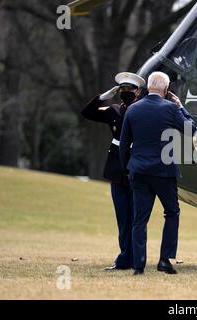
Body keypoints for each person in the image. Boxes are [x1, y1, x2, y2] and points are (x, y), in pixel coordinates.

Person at [119, 72, 196, 276]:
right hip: (164, 171)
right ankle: (164, 259)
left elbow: (124, 144)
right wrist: (181, 106)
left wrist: (128, 168)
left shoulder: (133, 109)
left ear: (148, 87)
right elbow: (191, 130)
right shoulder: (171, 108)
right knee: (171, 213)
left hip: (139, 170)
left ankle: (138, 265)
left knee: (139, 219)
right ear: (166, 88)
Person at [81, 72, 145, 271]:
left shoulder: (144, 111)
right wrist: (101, 98)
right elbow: (87, 113)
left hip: (136, 168)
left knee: (136, 218)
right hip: (117, 170)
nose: (126, 92)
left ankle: (137, 259)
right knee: (123, 218)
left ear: (138, 91)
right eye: (123, 89)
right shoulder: (114, 110)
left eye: (130, 89)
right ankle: (124, 258)